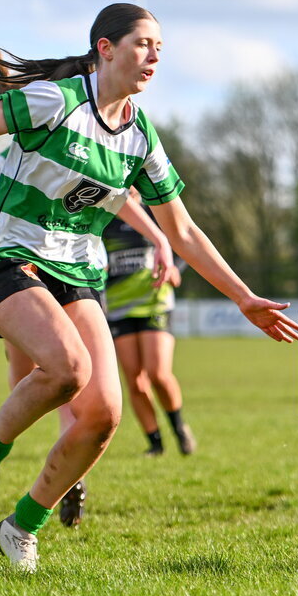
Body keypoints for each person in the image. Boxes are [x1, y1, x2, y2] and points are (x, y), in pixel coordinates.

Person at [0, 3, 298, 573]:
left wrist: (244, 297)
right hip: (10, 262)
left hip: (79, 277)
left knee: (102, 417)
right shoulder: (58, 101)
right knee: (68, 369)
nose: (153, 56)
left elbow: (184, 230)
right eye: (143, 44)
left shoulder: (141, 136)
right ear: (105, 48)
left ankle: (21, 528)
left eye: (160, 49)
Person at [0, 150, 179, 526]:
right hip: (18, 272)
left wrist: (158, 238)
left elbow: (117, 197)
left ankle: (65, 483)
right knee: (32, 376)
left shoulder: (84, 141)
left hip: (76, 275)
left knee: (81, 385)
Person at [102, 190, 196, 457]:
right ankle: (155, 443)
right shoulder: (104, 219)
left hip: (155, 302)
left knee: (157, 373)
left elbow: (181, 240)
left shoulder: (154, 214)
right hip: (119, 306)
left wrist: (175, 267)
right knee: (135, 381)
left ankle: (179, 428)